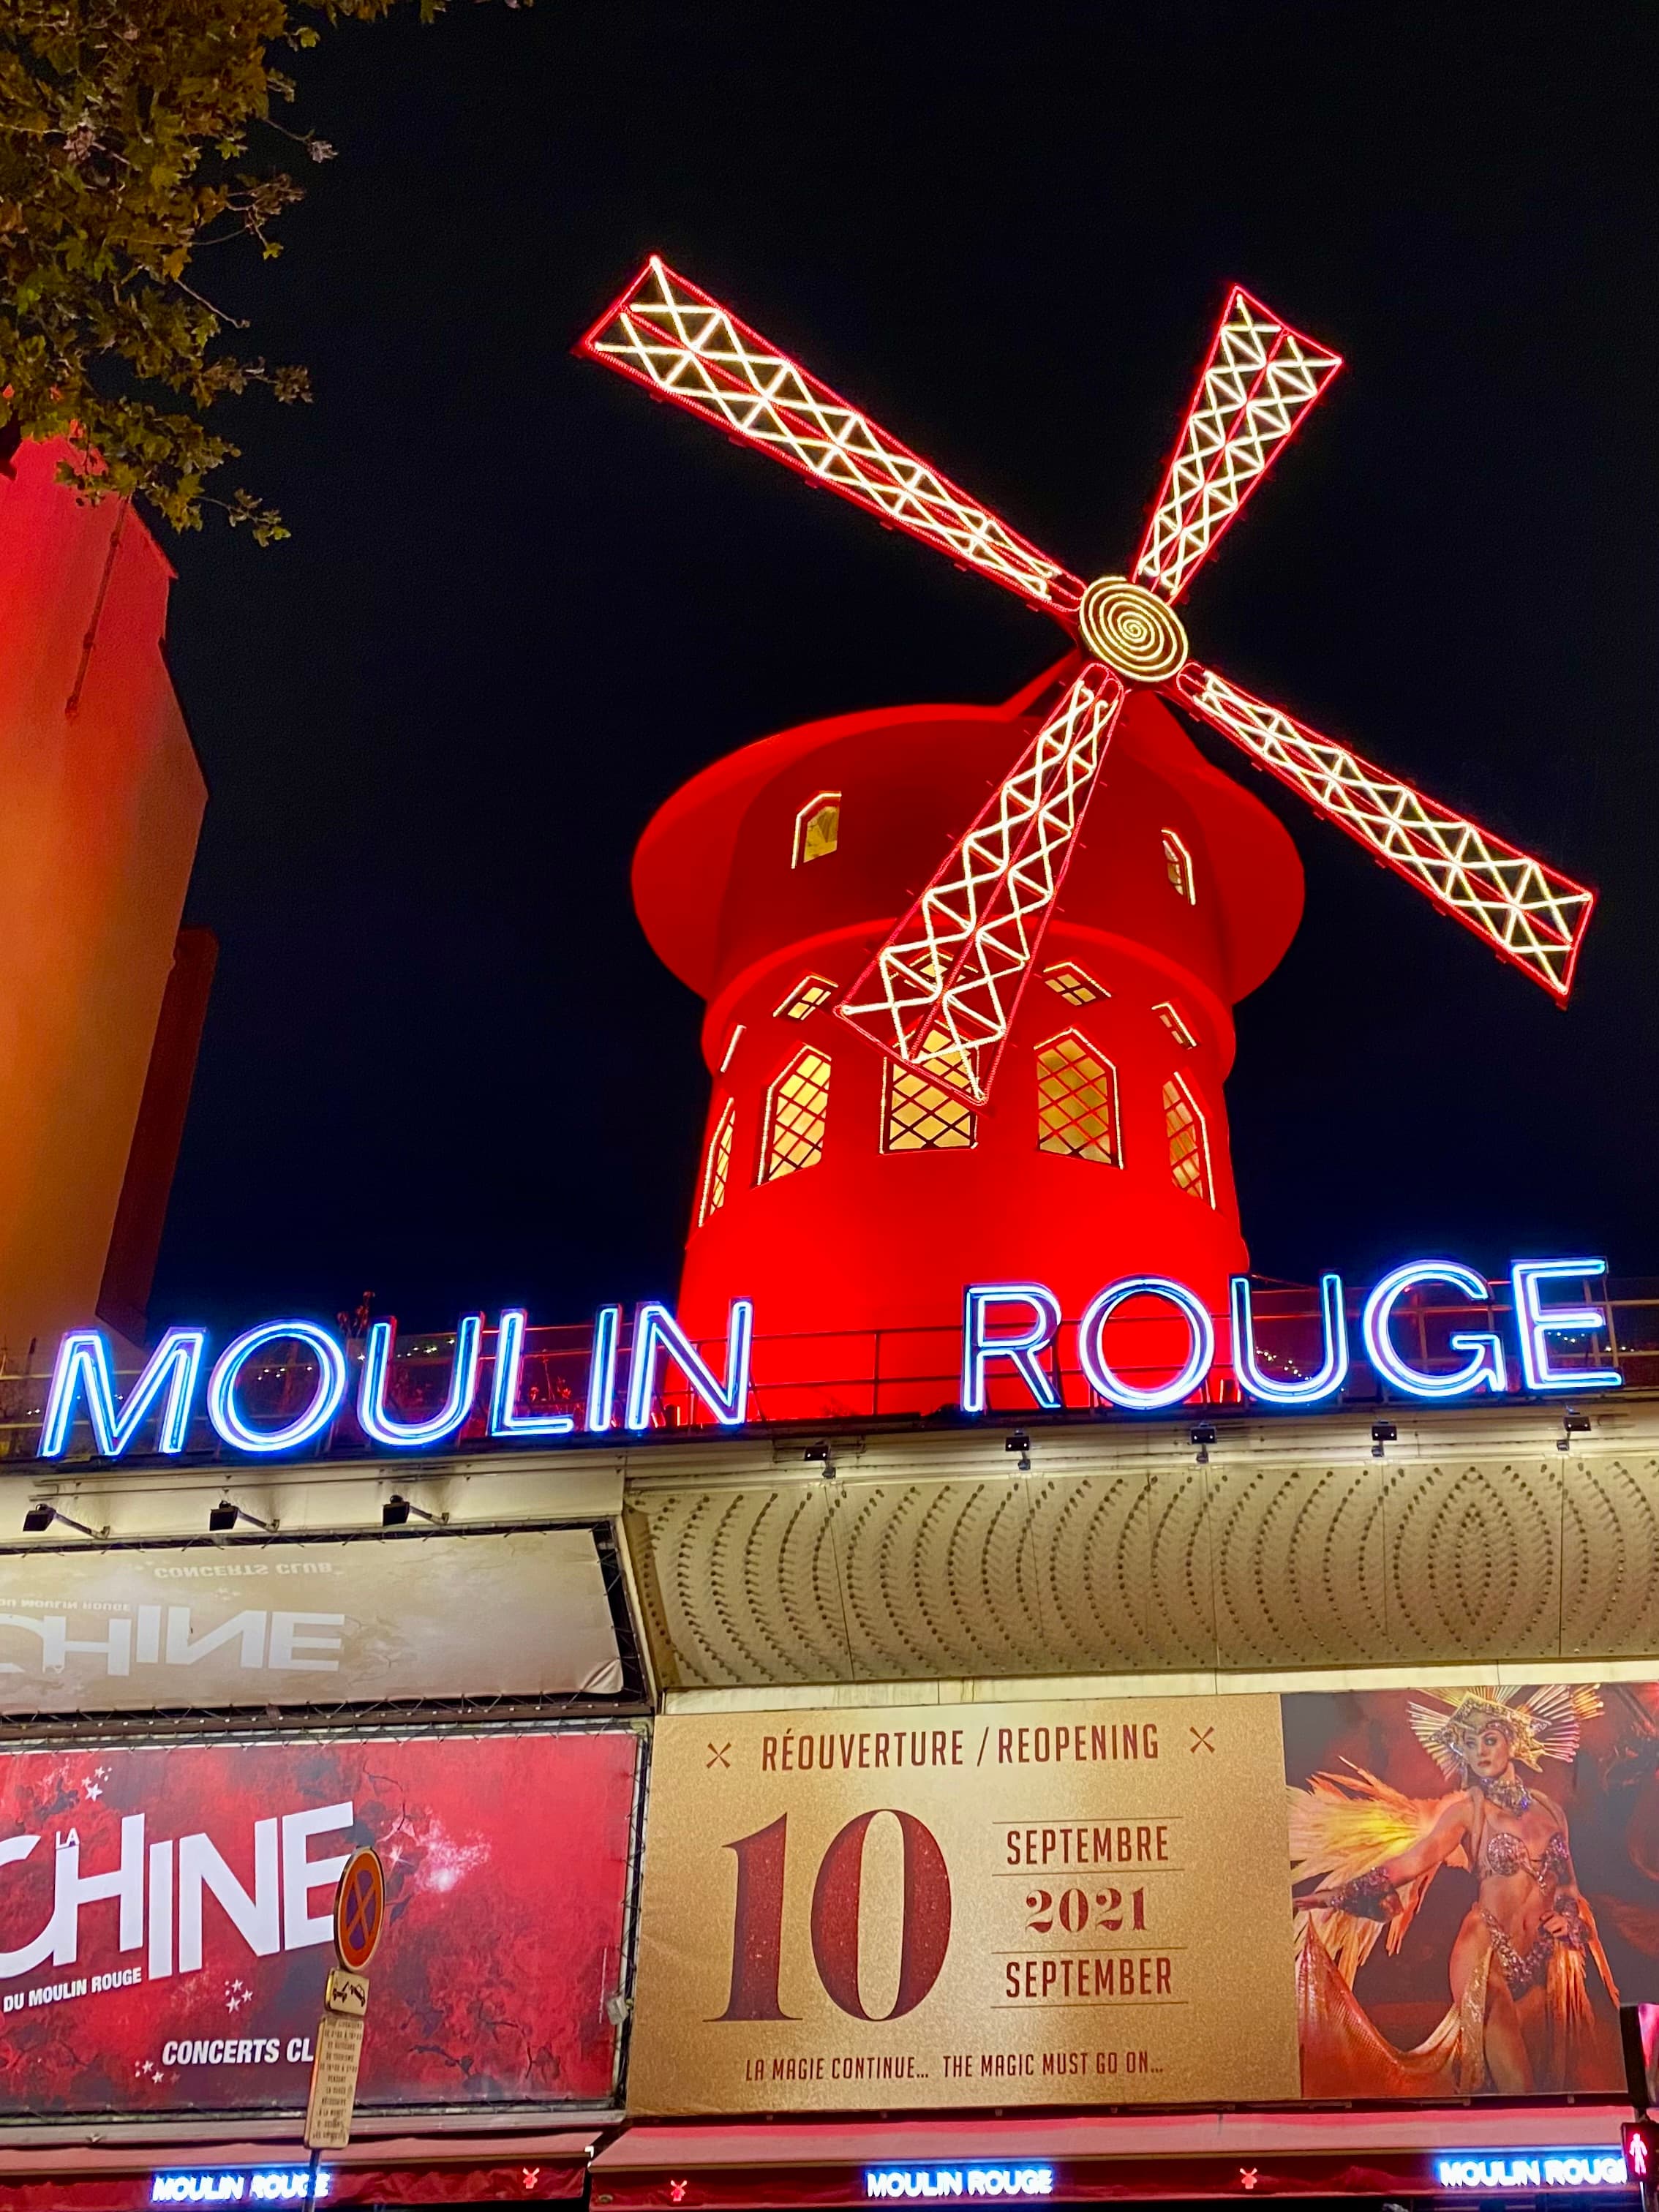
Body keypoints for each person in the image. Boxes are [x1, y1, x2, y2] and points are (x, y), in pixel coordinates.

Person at [1290, 1687, 1619, 2096]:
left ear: (1511, 1742)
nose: (1479, 1751)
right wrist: (1336, 1895)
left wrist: (1568, 1917)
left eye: (1489, 1739)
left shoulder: (1552, 1811)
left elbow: (1568, 1887)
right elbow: (1411, 1863)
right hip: (1484, 1952)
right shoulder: (1468, 1812)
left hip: (1540, 1959)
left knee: (1547, 2086)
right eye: (1469, 1743)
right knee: (1518, 2085)